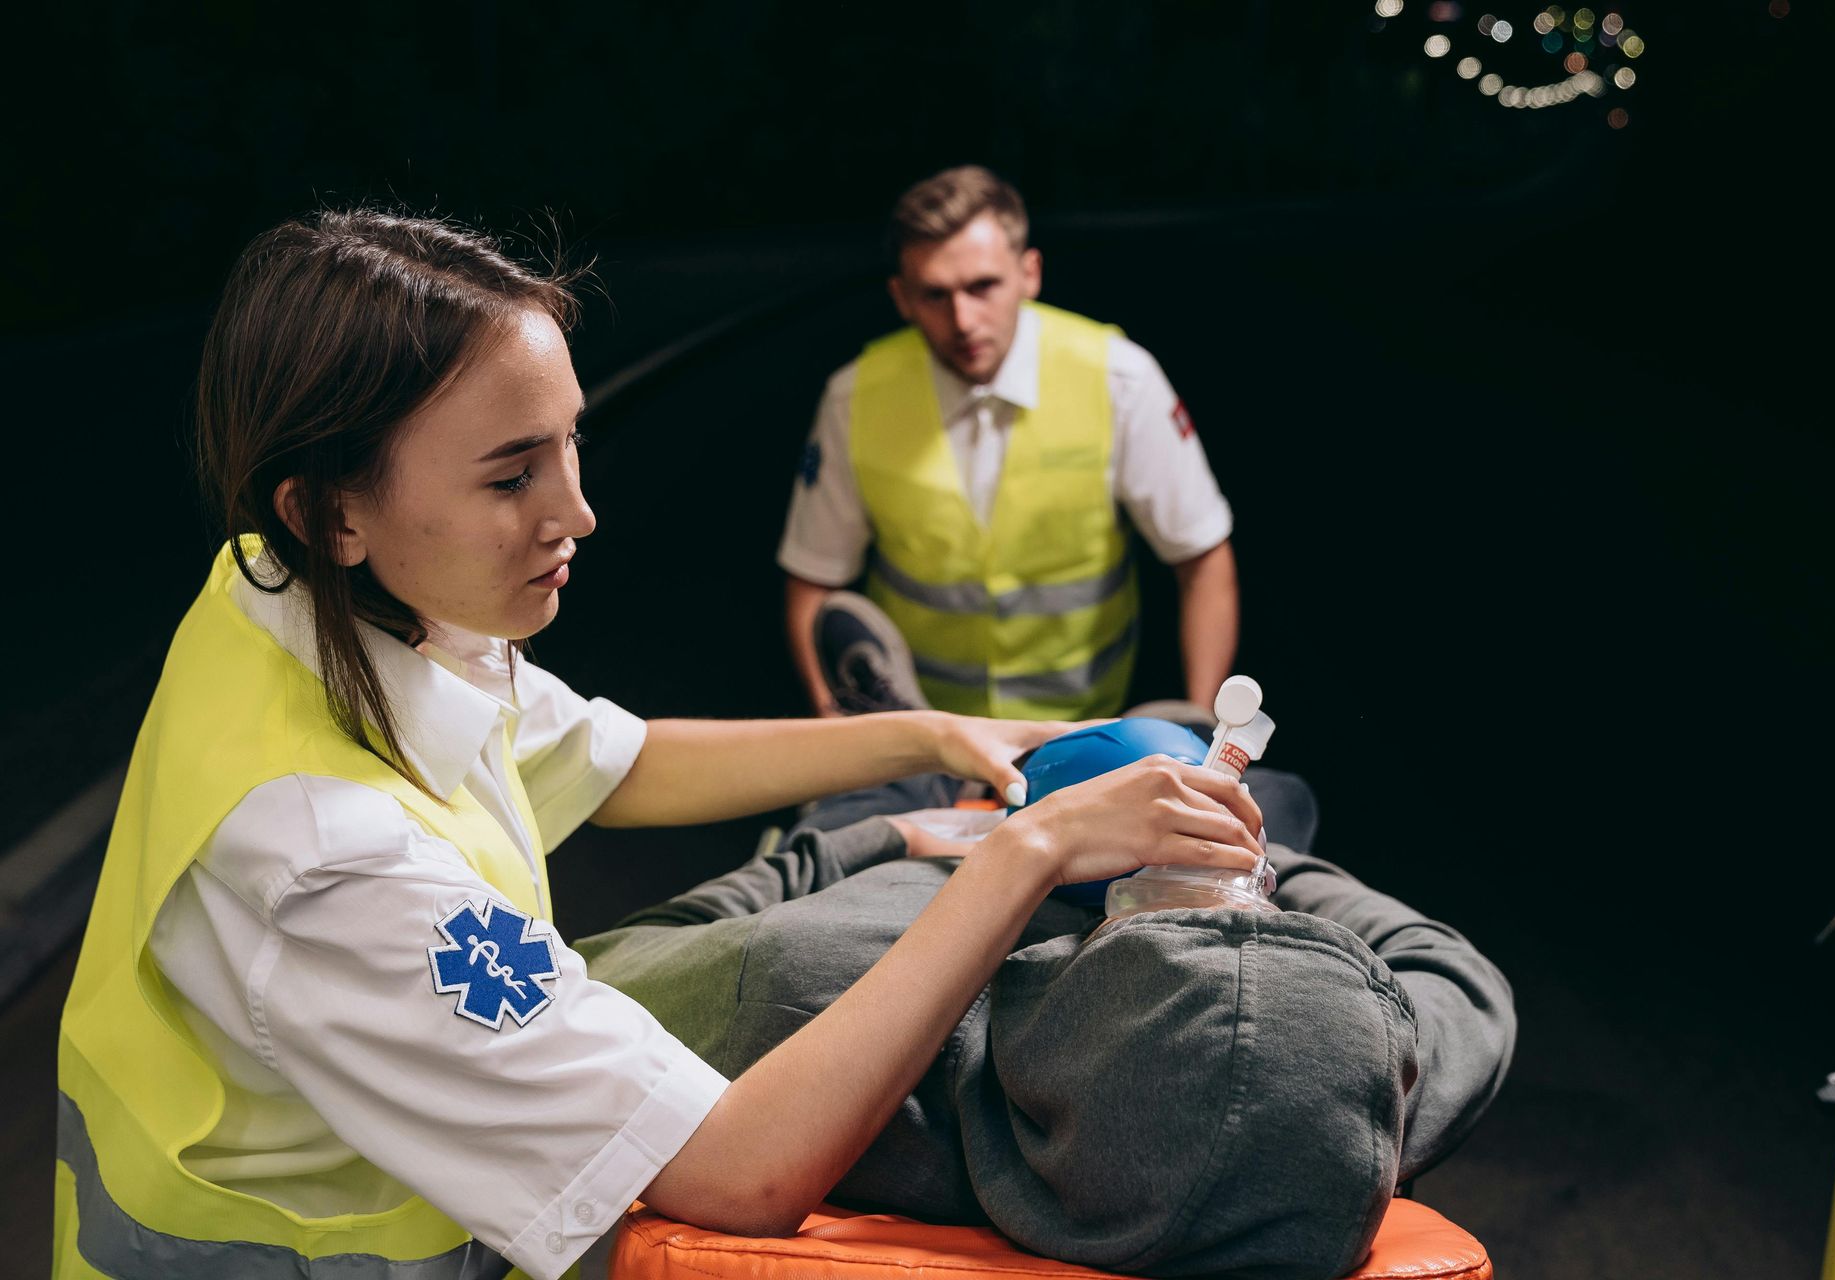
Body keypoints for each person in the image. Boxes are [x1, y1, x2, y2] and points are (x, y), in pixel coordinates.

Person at [52, 209, 1270, 1280]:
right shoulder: (330, 865)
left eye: (569, 443)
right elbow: (740, 1169)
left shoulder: (294, 592)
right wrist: (1028, 849)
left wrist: (929, 731)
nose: (577, 511)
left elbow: (614, 758)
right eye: (511, 477)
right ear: (331, 510)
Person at [577, 767, 1515, 1279]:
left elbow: (616, 960)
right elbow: (1456, 973)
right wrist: (1267, 858)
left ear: (1063, 973)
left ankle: (900, 764)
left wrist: (898, 839)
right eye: (1260, 912)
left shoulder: (808, 989)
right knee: (1290, 794)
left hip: (935, 848)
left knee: (874, 793)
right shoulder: (1338, 1102)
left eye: (1170, 911)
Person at [779, 165, 1241, 722]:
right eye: (935, 295)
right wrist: (836, 727)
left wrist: (1199, 731)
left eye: (983, 287)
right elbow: (812, 582)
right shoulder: (853, 398)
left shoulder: (1119, 380)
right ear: (901, 298)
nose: (963, 320)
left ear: (1029, 273)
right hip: (919, 735)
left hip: (1087, 731)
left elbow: (1202, 558)